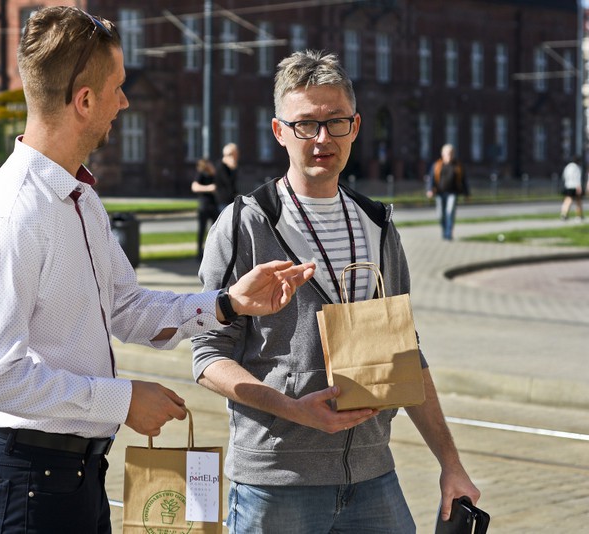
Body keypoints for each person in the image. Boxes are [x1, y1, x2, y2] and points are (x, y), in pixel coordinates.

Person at [0, 7, 315, 533]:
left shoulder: (79, 198)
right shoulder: (13, 216)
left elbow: (125, 306)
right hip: (24, 483)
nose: (124, 101)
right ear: (84, 100)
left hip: (73, 476)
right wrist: (122, 401)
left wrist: (228, 303)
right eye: (117, 88)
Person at [191, 50, 479, 533]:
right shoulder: (245, 224)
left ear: (355, 126)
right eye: (305, 124)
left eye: (335, 122)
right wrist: (293, 410)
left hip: (372, 476)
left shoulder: (378, 225)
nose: (322, 138)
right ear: (279, 131)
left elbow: (405, 353)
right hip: (276, 483)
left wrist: (451, 463)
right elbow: (207, 356)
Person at [426, 143, 469, 240]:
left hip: (452, 193)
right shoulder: (437, 165)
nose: (449, 155)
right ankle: (444, 231)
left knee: (450, 212)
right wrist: (429, 190)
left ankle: (449, 234)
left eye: (451, 153)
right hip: (439, 193)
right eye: (447, 153)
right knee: (440, 215)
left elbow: (463, 180)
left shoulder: (458, 166)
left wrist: (466, 193)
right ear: (443, 154)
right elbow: (431, 179)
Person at [191, 158, 220, 260]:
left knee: (216, 230)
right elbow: (194, 187)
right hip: (204, 205)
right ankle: (199, 252)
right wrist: (209, 188)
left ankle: (214, 252)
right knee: (202, 230)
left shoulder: (214, 175)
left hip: (214, 205)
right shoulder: (201, 174)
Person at [215, 142, 239, 212]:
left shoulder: (229, 166)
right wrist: (233, 169)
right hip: (223, 201)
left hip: (231, 199)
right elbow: (228, 182)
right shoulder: (221, 166)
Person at [559, 156, 584, 221]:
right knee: (578, 201)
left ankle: (564, 214)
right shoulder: (577, 167)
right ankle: (579, 215)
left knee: (567, 201)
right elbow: (577, 178)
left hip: (568, 185)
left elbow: (564, 176)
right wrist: (579, 187)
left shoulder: (568, 167)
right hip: (575, 186)